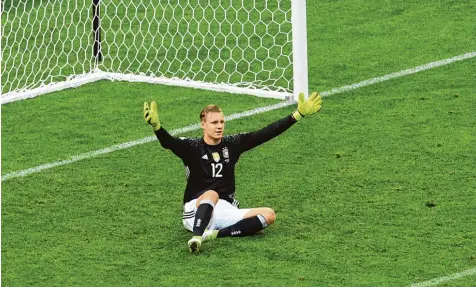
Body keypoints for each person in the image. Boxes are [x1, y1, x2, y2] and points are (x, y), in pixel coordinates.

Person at [143, 92, 322, 253]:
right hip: (196, 209)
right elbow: (169, 143)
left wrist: (296, 115)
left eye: (222, 121)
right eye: (214, 122)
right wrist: (157, 127)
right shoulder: (192, 147)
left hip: (225, 209)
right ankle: (196, 236)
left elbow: (265, 133)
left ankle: (214, 234)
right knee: (211, 193)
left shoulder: (232, 144)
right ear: (202, 124)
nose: (219, 126)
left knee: (269, 214)